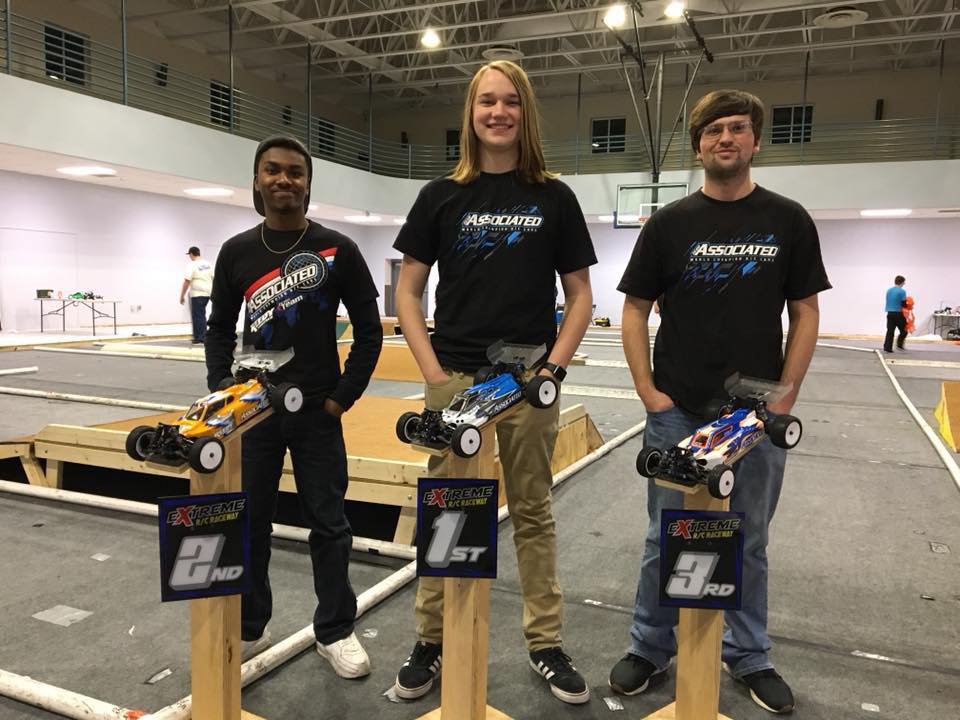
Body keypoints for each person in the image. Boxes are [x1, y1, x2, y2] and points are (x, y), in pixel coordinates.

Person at [611, 89, 831, 715]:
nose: (725, 138)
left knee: (748, 539)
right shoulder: (669, 223)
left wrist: (785, 396)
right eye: (713, 130)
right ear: (698, 144)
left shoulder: (788, 219)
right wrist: (648, 393)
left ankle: (749, 654)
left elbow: (805, 311)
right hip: (678, 409)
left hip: (754, 416)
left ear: (755, 140)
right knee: (666, 536)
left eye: (737, 128)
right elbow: (634, 309)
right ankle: (650, 646)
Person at [392, 60, 597, 705]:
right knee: (449, 510)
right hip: (455, 381)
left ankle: (545, 642)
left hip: (527, 384)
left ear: (525, 112)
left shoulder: (554, 197)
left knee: (533, 511)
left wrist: (552, 368)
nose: (499, 112)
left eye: (511, 101)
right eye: (487, 101)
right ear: (471, 113)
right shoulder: (440, 195)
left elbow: (580, 295)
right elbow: (407, 291)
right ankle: (432, 639)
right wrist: (432, 373)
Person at [205, 134, 383, 678]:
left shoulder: (338, 248)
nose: (284, 179)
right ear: (257, 181)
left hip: (317, 414)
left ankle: (336, 630)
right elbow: (219, 329)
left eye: (295, 172)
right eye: (273, 170)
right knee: (250, 521)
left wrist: (341, 399)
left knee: (329, 525)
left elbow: (370, 331)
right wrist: (224, 392)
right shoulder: (236, 251)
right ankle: (250, 626)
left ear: (307, 184)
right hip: (254, 412)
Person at [180, 246, 214, 344]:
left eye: (189, 255)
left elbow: (187, 281)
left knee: (198, 315)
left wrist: (182, 296)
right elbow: (214, 278)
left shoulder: (192, 265)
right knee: (201, 314)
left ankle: (200, 337)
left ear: (191, 254)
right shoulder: (208, 264)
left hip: (197, 294)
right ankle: (201, 336)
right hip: (208, 293)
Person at [884, 275, 907, 352]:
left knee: (890, 331)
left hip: (890, 313)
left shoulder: (889, 290)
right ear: (902, 282)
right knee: (904, 331)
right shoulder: (902, 291)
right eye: (904, 282)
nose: (904, 283)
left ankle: (887, 348)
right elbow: (904, 304)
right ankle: (899, 345)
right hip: (898, 313)